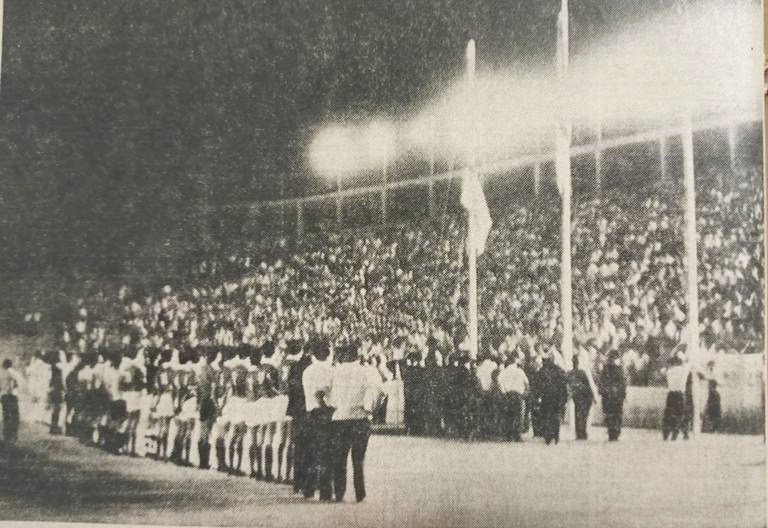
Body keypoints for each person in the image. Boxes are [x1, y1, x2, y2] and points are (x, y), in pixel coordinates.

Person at [330, 341, 378, 503]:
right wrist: (371, 409)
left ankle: (339, 492)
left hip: (339, 417)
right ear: (357, 354)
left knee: (339, 457)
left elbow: (325, 392)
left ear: (344, 355)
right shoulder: (366, 371)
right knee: (358, 459)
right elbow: (378, 391)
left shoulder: (335, 371)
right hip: (359, 417)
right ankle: (360, 493)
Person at [301, 338, 334, 501]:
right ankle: (325, 489)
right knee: (325, 452)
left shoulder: (307, 371)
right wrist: (326, 408)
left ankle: (308, 487)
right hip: (322, 412)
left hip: (310, 412)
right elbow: (320, 393)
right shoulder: (329, 371)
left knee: (313, 451)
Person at [538, 352, 568, 445]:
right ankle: (556, 435)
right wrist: (564, 398)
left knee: (547, 416)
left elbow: (538, 385)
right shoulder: (559, 370)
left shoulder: (542, 371)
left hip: (546, 397)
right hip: (557, 397)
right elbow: (564, 385)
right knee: (556, 416)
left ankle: (548, 436)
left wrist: (538, 395)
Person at [497, 353, 528, 441]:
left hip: (508, 394)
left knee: (508, 415)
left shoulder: (504, 371)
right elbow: (526, 383)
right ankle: (517, 435)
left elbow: (499, 383)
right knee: (518, 415)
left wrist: (503, 392)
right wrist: (525, 392)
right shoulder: (520, 371)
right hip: (518, 395)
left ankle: (508, 435)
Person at [662, 351, 690, 441]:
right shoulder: (684, 370)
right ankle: (675, 433)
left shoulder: (669, 370)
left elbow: (662, 371)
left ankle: (666, 434)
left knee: (668, 414)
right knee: (679, 414)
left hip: (671, 394)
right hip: (680, 394)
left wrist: (667, 367)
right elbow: (689, 365)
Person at [599, 350, 626, 441]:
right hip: (609, 396)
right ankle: (612, 433)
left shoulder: (619, 369)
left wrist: (621, 394)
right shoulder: (605, 369)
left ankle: (615, 433)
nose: (611, 360)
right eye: (610, 357)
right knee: (610, 415)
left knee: (616, 415)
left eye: (613, 358)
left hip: (616, 397)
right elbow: (601, 382)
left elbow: (622, 383)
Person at [568, 355, 595, 441]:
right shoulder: (579, 372)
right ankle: (581, 433)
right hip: (582, 396)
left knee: (580, 414)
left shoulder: (571, 373)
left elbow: (586, 385)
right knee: (582, 414)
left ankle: (581, 433)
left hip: (583, 396)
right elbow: (588, 385)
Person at [1, 359, 24, 443]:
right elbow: (17, 383)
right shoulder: (13, 372)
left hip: (4, 396)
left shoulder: (3, 373)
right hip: (11, 396)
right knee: (14, 416)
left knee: (6, 416)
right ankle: (13, 435)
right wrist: (13, 390)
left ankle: (7, 435)